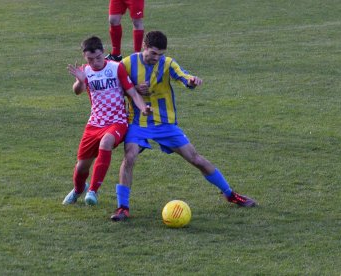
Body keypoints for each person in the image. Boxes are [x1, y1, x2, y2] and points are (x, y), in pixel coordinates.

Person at [110, 31, 257, 221]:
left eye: (160, 54)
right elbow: (115, 90)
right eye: (153, 53)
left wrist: (191, 81)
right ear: (144, 47)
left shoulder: (167, 63)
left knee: (195, 159)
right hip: (138, 122)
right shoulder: (127, 64)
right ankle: (123, 208)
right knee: (129, 158)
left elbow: (182, 76)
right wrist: (134, 90)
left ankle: (231, 194)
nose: (157, 58)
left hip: (165, 123)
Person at [63, 36, 151, 206]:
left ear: (103, 52)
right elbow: (77, 91)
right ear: (84, 57)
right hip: (94, 124)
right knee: (81, 167)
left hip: (117, 121)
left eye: (98, 57)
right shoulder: (85, 71)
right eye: (90, 59)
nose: (95, 62)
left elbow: (132, 93)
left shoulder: (116, 68)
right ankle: (78, 190)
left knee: (106, 143)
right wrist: (80, 81)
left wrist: (143, 108)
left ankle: (93, 191)